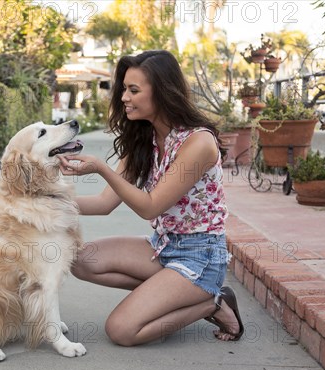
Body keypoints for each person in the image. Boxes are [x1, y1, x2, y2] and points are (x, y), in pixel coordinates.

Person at [58, 50, 244, 346]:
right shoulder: (144, 138)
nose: (123, 98)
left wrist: (102, 168)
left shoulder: (198, 142)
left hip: (201, 256)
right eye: (124, 90)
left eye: (133, 90)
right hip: (164, 246)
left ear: (161, 92)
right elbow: (105, 204)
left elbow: (151, 206)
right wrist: (44, 203)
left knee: (122, 330)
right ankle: (168, 294)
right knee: (80, 260)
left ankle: (212, 302)